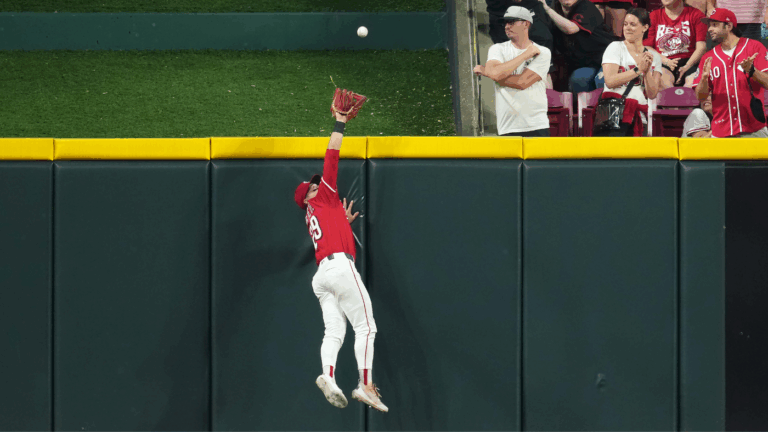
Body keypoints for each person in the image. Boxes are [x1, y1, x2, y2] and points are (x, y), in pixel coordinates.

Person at [293, 107, 388, 412]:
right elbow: (332, 156)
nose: (319, 183)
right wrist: (340, 122)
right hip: (339, 267)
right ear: (309, 196)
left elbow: (331, 232)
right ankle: (365, 385)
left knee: (334, 331)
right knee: (367, 328)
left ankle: (329, 375)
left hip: (322, 276)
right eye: (313, 186)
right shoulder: (322, 198)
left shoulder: (315, 212)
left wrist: (342, 222)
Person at [474, 6, 553, 136]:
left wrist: (486, 71)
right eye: (505, 23)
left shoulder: (543, 52)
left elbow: (522, 82)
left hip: (537, 125)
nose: (507, 26)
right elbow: (494, 73)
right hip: (507, 127)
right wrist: (526, 55)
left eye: (512, 22)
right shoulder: (497, 49)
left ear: (526, 24)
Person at [694, 8, 768, 138]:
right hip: (721, 131)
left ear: (728, 26)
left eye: (715, 25)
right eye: (709, 25)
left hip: (754, 129)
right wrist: (704, 79)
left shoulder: (754, 47)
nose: (710, 29)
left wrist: (752, 71)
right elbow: (700, 97)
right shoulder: (708, 57)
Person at [598, 8, 662, 136]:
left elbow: (652, 93)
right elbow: (610, 81)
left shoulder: (654, 56)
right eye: (625, 24)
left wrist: (647, 70)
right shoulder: (615, 47)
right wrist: (638, 69)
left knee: (636, 155)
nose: (627, 28)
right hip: (613, 112)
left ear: (644, 28)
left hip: (639, 114)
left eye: (633, 25)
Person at [540, 0, 616, 93]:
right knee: (578, 79)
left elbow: (571, 28)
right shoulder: (556, 10)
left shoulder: (586, 6)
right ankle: (585, 108)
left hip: (607, 59)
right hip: (587, 64)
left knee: (601, 80)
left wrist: (547, 9)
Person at [645, 0, 708, 89]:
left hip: (690, 61)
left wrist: (686, 67)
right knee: (663, 84)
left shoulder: (696, 14)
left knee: (693, 86)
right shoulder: (653, 16)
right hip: (663, 61)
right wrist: (666, 61)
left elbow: (701, 47)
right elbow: (647, 47)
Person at [487, 0, 556, 53]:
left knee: (544, 38)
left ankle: (545, 68)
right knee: (507, 48)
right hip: (500, 10)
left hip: (530, 6)